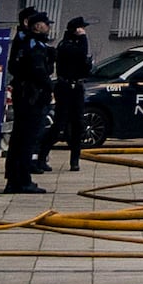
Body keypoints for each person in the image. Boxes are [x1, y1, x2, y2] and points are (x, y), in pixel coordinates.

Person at [2, 9, 52, 194]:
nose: (48, 28)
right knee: (26, 139)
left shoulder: (23, 42)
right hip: (32, 97)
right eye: (46, 24)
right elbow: (38, 72)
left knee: (18, 138)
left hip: (24, 95)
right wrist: (49, 86)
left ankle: (15, 179)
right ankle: (22, 180)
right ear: (38, 26)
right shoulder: (33, 45)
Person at [51, 16, 95, 171]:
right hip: (65, 87)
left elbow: (83, 62)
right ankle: (41, 154)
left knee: (78, 124)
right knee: (59, 124)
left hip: (77, 87)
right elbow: (80, 54)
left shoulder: (75, 44)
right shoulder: (66, 45)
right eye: (82, 29)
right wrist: (83, 38)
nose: (84, 31)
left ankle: (74, 160)